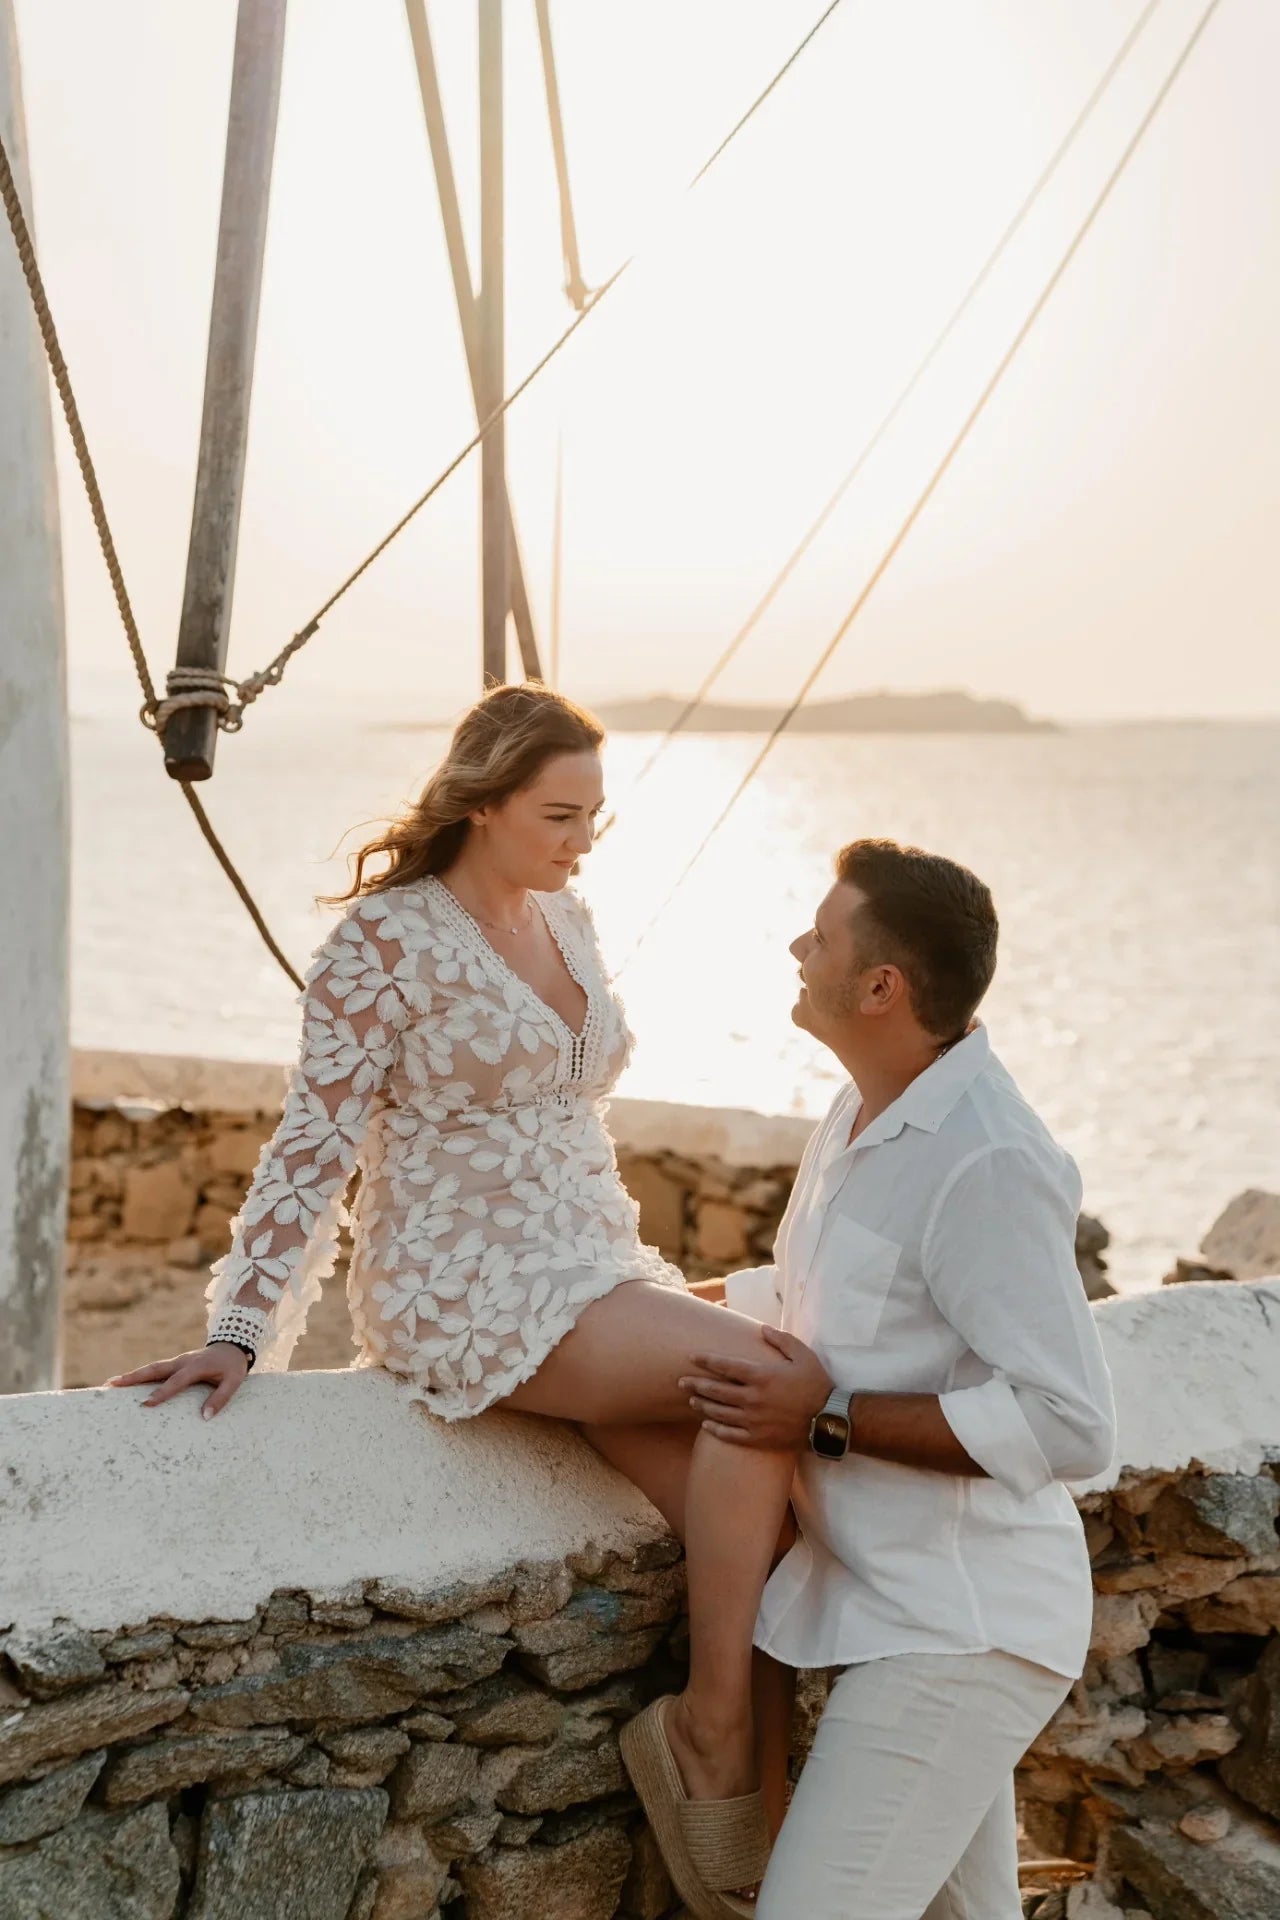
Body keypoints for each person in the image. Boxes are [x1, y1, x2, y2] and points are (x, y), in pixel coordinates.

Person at [109, 682, 805, 1919]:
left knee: (747, 1505)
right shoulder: (383, 943)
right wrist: (239, 1330)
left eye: (595, 815)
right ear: (480, 801)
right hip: (465, 1283)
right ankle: (706, 1734)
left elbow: (566, 1117)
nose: (581, 838)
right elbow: (311, 1148)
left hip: (597, 1264)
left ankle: (760, 1811)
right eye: (558, 813)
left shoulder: (566, 915)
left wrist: (635, 1282)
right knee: (765, 1378)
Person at [676, 838, 1117, 1918]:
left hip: (961, 1627)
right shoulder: (859, 1113)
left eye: (818, 937)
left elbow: (1068, 1423)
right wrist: (634, 1314)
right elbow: (811, 1302)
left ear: (880, 986)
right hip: (893, 1612)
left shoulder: (988, 1160)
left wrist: (822, 1418)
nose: (796, 946)